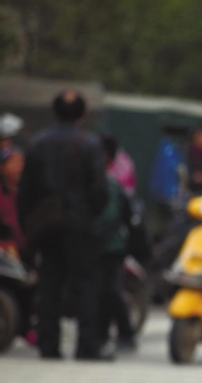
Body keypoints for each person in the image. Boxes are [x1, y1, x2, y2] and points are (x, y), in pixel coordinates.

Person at [18, 90, 109, 360]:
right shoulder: (90, 145)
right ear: (82, 114)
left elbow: (26, 190)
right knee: (85, 285)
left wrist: (29, 225)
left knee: (49, 285)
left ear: (54, 112)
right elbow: (99, 190)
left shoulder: (36, 144)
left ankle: (49, 344)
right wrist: (92, 214)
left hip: (47, 226)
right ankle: (87, 345)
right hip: (80, 225)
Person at [95, 134, 136, 352]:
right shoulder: (100, 182)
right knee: (103, 292)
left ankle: (124, 333)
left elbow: (111, 218)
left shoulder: (110, 185)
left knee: (109, 292)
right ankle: (103, 334)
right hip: (103, 246)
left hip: (110, 247)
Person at [0, 147, 25, 258]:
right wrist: (5, 246)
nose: (19, 168)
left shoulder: (25, 193)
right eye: (14, 162)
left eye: (21, 162)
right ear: (2, 167)